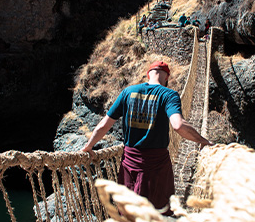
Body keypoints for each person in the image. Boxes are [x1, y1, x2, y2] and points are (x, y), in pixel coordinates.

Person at [80, 61, 213, 215]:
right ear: (167, 77)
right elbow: (178, 126)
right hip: (157, 166)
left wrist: (89, 146)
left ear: (148, 74)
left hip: (129, 165)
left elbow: (104, 125)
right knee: (158, 211)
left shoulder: (127, 92)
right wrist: (203, 140)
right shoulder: (168, 95)